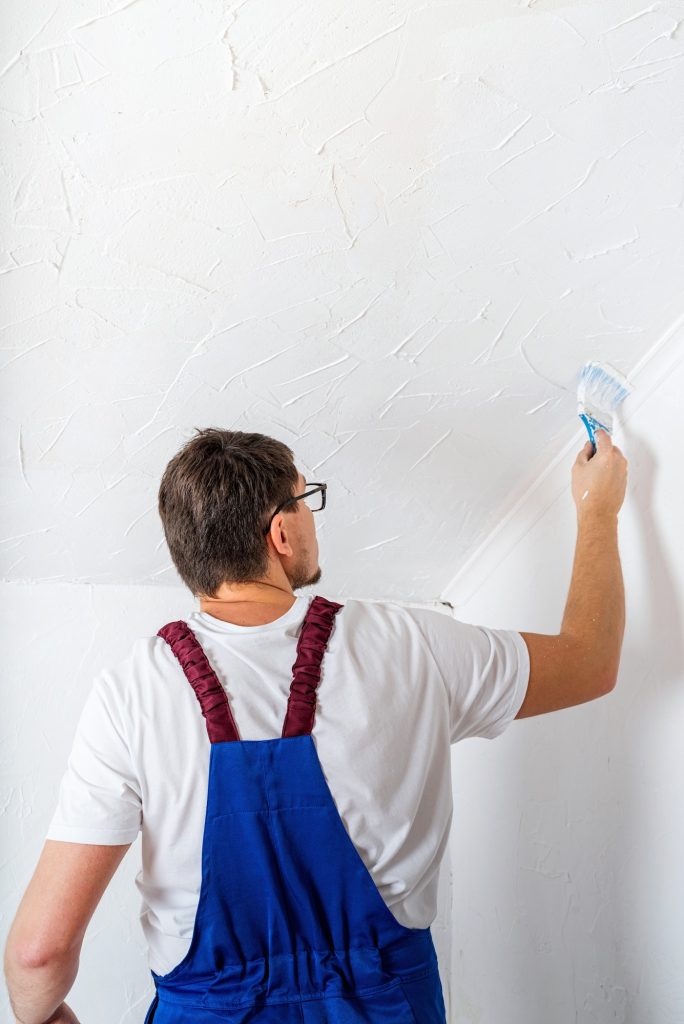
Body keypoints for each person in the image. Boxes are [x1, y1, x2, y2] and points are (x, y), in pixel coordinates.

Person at [4, 427, 627, 1024]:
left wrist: (43, 1014)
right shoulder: (410, 644)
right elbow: (590, 661)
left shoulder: (129, 693)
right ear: (280, 532)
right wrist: (597, 507)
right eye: (306, 500)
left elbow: (38, 952)